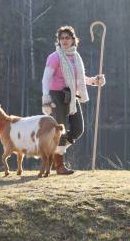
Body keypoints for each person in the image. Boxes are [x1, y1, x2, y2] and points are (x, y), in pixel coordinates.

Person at [41, 26, 106, 175]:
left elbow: (79, 79)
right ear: (59, 40)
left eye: (67, 38)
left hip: (71, 95)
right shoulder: (55, 57)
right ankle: (59, 165)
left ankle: (54, 154)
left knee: (78, 128)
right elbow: (46, 79)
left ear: (73, 40)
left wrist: (95, 81)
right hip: (56, 95)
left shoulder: (75, 57)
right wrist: (46, 97)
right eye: (62, 38)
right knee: (61, 131)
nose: (64, 41)